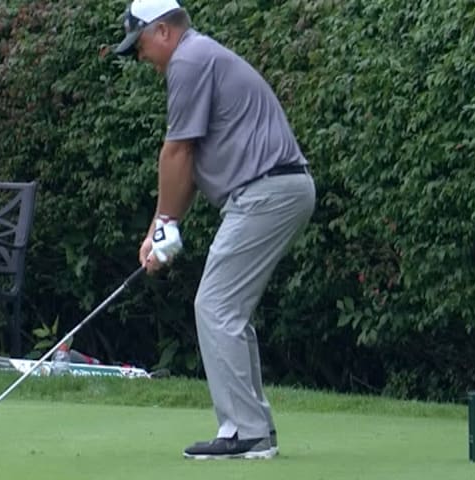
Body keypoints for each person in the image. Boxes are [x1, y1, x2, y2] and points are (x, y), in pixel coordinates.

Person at [116, 0, 316, 460]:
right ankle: (254, 429)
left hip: (266, 192)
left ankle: (246, 433)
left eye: (140, 44)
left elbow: (177, 152)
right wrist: (159, 229)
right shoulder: (200, 56)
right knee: (227, 308)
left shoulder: (189, 60)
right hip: (275, 190)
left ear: (162, 30)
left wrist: (165, 224)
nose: (141, 56)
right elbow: (188, 165)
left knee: (216, 305)